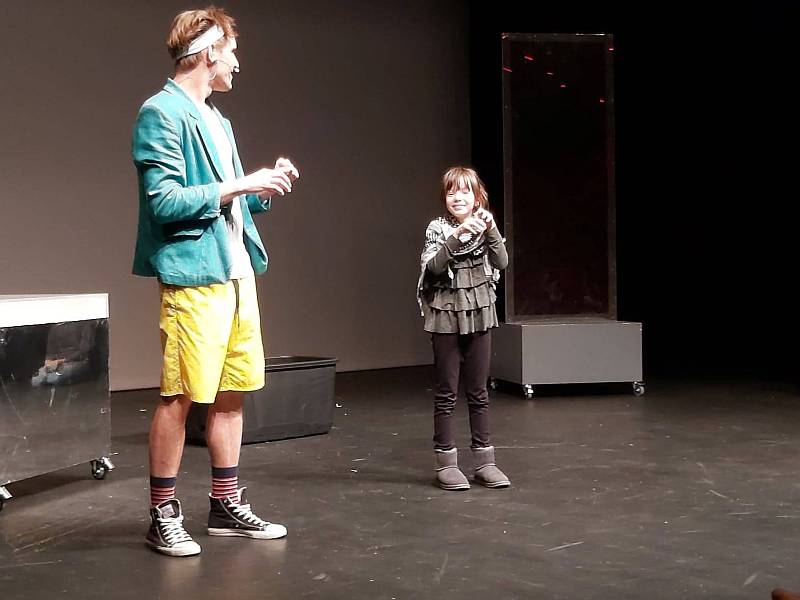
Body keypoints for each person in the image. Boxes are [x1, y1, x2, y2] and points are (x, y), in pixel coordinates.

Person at [131, 6, 299, 557]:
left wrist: (261, 188)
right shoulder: (161, 113)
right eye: (230, 52)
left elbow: (231, 201)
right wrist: (241, 184)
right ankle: (162, 513)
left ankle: (225, 505)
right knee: (181, 395)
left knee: (231, 392)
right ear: (207, 54)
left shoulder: (218, 121)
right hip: (194, 275)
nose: (236, 63)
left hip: (236, 273)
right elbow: (164, 202)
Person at [417, 166, 510, 490]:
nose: (458, 197)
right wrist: (457, 235)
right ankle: (446, 463)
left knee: (479, 392)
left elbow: (501, 262)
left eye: (465, 191)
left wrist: (491, 228)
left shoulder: (486, 227)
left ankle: (485, 462)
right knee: (446, 392)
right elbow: (434, 267)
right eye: (451, 191)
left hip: (480, 312)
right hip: (446, 315)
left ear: (476, 197)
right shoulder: (438, 228)